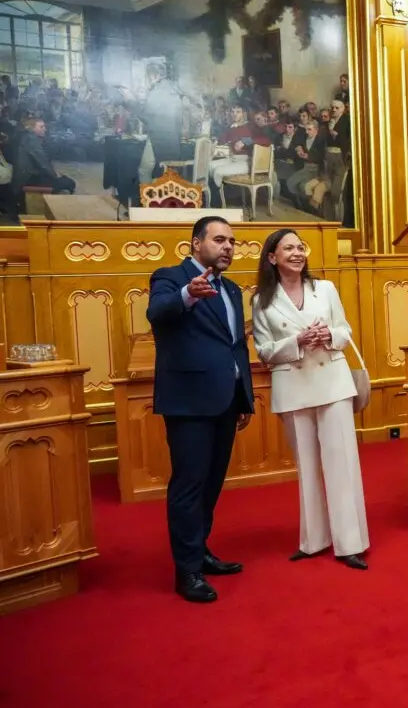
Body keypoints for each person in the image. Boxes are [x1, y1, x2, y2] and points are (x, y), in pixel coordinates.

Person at [147, 217, 254, 603]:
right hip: (189, 400)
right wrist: (188, 295)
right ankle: (187, 570)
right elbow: (157, 314)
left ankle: (200, 549)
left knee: (211, 484)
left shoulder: (233, 289)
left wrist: (245, 397)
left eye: (232, 242)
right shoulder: (170, 277)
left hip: (226, 399)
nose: (228, 247)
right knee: (189, 485)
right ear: (195, 244)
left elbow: (235, 345)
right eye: (220, 240)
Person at [252, 229, 369, 570]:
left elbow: (345, 331)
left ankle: (350, 543)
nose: (297, 253)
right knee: (306, 465)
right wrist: (297, 341)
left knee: (341, 462)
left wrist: (329, 335)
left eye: (300, 247)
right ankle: (314, 540)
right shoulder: (261, 300)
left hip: (332, 381)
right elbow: (263, 351)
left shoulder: (326, 289)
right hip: (293, 385)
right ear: (272, 258)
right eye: (288, 248)